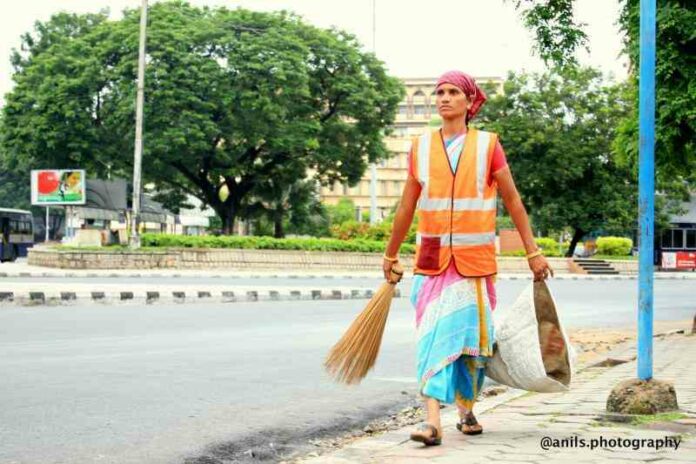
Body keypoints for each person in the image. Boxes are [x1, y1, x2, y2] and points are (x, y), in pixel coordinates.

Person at [382, 70, 554, 446]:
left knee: (472, 342)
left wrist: (533, 251)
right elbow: (406, 205)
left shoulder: (488, 145)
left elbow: (512, 200)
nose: (443, 98)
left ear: (468, 101)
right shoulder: (420, 147)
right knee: (433, 338)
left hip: (474, 264)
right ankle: (431, 421)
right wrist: (391, 253)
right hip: (432, 263)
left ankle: (466, 408)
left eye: (452, 92)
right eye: (439, 92)